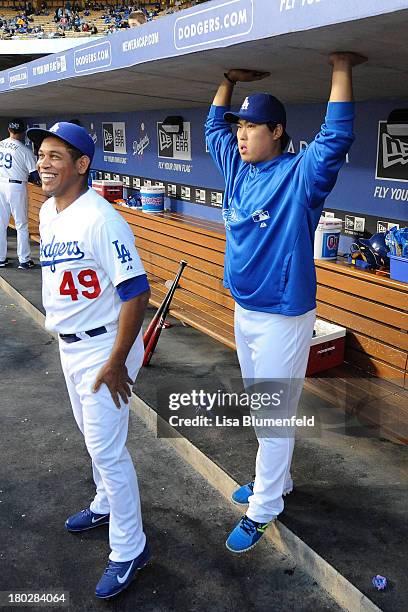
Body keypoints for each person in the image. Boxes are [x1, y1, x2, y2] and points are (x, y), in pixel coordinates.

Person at [205, 52, 367, 553]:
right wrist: (227, 81)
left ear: (276, 131)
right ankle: (279, 483)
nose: (241, 134)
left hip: (282, 316)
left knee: (273, 417)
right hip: (245, 308)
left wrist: (342, 66)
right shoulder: (237, 166)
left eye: (252, 127)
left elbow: (335, 137)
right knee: (262, 411)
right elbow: (213, 128)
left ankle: (265, 507)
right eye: (241, 127)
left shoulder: (299, 175)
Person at [26, 122, 151, 598]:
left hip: (105, 349)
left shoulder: (101, 218)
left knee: (107, 451)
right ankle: (104, 503)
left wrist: (119, 360)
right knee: (91, 437)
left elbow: (136, 291)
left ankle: (129, 548)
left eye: (57, 155)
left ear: (81, 165)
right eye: (42, 154)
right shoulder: (54, 211)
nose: (44, 162)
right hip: (71, 344)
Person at [0, 118, 38, 269]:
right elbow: (36, 177)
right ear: (23, 133)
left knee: (1, 224)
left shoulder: (0, 144)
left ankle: (1, 259)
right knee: (21, 224)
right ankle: (24, 260)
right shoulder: (24, 151)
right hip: (16, 187)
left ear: (9, 130)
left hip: (1, 184)